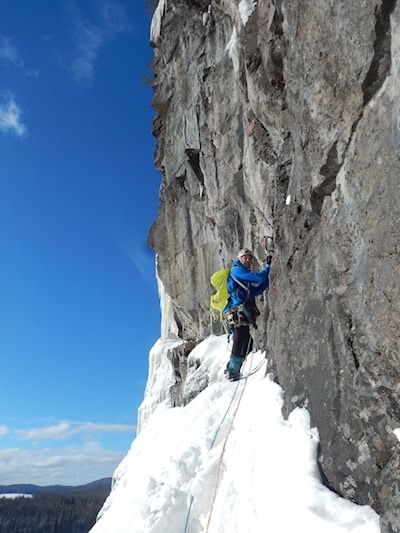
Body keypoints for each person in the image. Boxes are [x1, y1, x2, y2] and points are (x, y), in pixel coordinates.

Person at [223, 248, 271, 381]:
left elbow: (255, 290)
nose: (248, 260)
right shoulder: (237, 271)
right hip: (237, 311)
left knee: (246, 342)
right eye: (245, 257)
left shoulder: (244, 274)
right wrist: (268, 268)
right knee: (239, 340)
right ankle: (232, 371)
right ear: (239, 259)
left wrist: (269, 277)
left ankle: (233, 369)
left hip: (241, 311)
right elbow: (258, 278)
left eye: (250, 258)